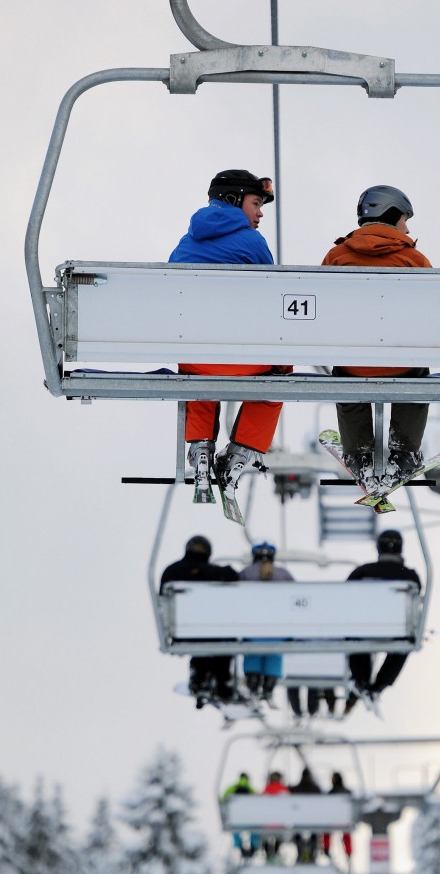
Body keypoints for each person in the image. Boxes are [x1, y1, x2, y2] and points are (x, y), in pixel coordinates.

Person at [168, 169, 291, 506]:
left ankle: (200, 447)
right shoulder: (252, 243)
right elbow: (274, 297)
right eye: (256, 203)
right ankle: (242, 451)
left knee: (195, 374)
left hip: (197, 358)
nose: (260, 212)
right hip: (246, 360)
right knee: (280, 373)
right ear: (235, 200)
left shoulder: (186, 243)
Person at [322, 185, 433, 494]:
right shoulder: (414, 260)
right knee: (418, 376)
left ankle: (358, 453)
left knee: (344, 377)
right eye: (404, 220)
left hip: (354, 365)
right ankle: (404, 450)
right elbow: (434, 317)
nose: (407, 228)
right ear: (392, 215)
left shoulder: (336, 257)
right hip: (403, 366)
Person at [344, 529, 422, 715]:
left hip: (363, 631)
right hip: (397, 632)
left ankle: (361, 681)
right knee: (403, 646)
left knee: (356, 639)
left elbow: (345, 598)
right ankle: (379, 685)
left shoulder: (362, 572)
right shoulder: (410, 577)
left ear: (379, 548)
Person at [160, 535, 239, 703]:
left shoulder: (171, 572)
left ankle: (199, 677)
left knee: (203, 633)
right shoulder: (211, 572)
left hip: (180, 631)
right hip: (211, 632)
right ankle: (222, 680)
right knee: (219, 636)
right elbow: (232, 575)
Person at [239, 541, 294, 704]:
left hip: (252, 632)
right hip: (279, 633)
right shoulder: (283, 574)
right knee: (275, 651)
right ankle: (269, 688)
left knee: (253, 650)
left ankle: (253, 684)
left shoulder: (245, 573)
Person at [220, 771, 260, 858]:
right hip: (250, 820)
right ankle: (253, 846)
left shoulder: (231, 788)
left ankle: (239, 845)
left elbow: (223, 799)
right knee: (255, 830)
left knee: (235, 830)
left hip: (236, 820)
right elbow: (259, 801)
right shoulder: (251, 789)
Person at [290, 767, 323, 864]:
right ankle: (312, 853)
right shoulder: (316, 789)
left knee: (297, 832)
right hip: (312, 820)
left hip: (299, 820)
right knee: (314, 832)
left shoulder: (296, 788)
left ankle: (300, 853)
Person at [261, 769, 290, 863]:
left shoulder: (265, 790)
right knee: (280, 836)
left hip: (266, 825)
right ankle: (276, 852)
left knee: (264, 836)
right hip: (279, 825)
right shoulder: (284, 790)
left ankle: (268, 855)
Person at [322, 771, 353, 861]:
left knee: (326, 831)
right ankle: (348, 852)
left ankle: (326, 849)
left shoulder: (330, 793)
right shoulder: (348, 792)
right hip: (345, 820)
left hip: (332, 820)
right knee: (347, 834)